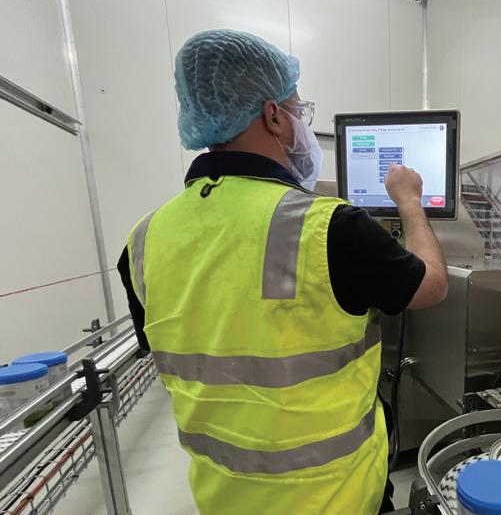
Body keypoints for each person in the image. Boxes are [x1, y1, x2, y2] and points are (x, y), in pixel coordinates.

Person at [116, 29, 448, 515]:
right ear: (273, 116)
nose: (301, 125)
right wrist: (410, 202)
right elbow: (431, 286)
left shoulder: (143, 241)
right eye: (299, 110)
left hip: (223, 499)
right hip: (339, 497)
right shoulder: (328, 227)